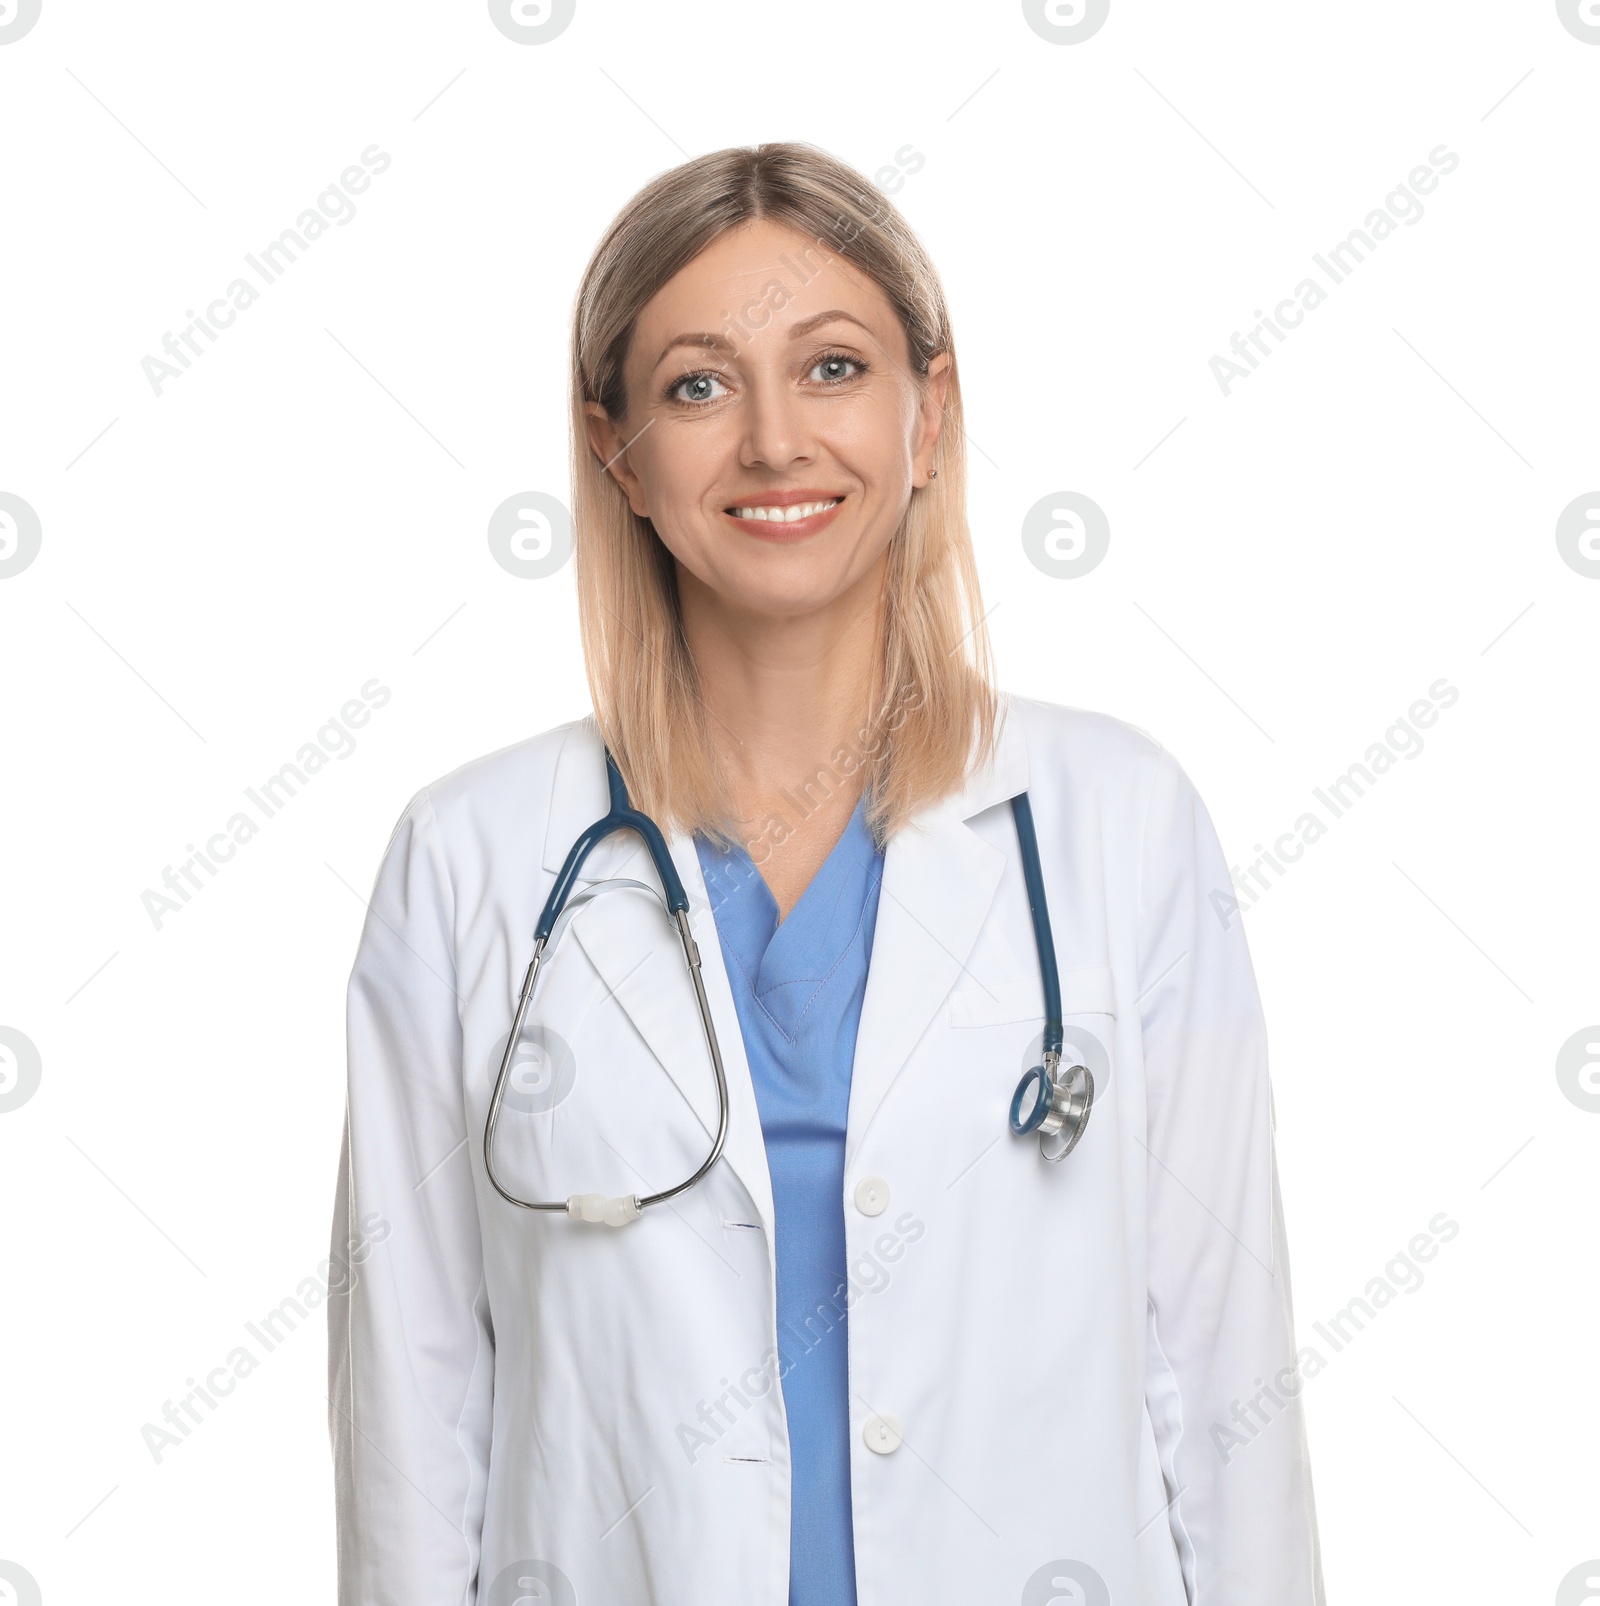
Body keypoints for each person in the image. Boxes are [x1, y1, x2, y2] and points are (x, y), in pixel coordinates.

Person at [328, 141, 1324, 1606]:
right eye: (699, 385)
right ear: (616, 450)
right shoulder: (470, 859)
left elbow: (1227, 1382)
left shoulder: (1118, 824)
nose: (776, 440)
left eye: (836, 367)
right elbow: (409, 1415)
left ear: (932, 414)